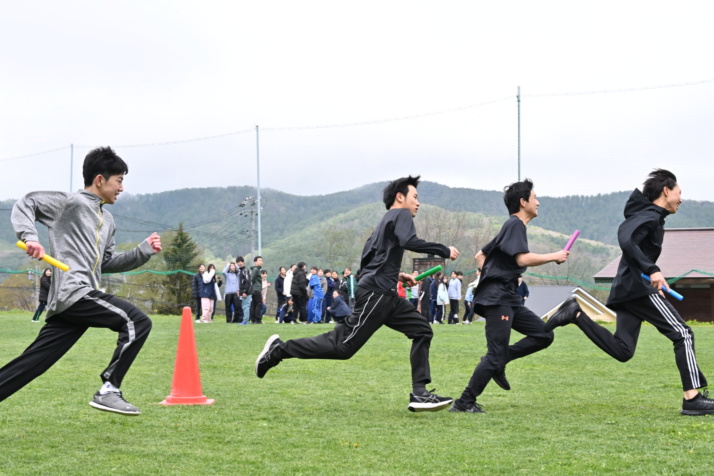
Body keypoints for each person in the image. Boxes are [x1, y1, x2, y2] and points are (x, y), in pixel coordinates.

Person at [255, 175, 459, 412]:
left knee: (422, 330)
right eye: (415, 197)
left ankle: (420, 394)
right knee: (343, 347)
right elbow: (409, 240)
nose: (418, 203)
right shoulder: (401, 214)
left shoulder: (381, 226)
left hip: (386, 294)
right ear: (400, 197)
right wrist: (442, 250)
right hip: (377, 294)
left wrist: (398, 276)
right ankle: (278, 350)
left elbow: (368, 264)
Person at [1, 146, 162, 415]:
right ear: (100, 179)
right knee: (137, 321)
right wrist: (30, 237)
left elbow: (107, 263)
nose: (121, 188)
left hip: (76, 300)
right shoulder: (70, 203)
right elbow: (26, 202)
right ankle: (109, 389)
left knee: (33, 363)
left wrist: (142, 251)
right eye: (119, 180)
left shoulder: (107, 220)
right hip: (74, 293)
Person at [545, 169, 714, 416]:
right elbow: (626, 240)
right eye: (679, 193)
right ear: (666, 191)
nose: (681, 198)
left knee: (623, 350)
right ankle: (693, 398)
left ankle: (576, 313)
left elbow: (633, 245)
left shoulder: (651, 216)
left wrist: (650, 269)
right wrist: (652, 269)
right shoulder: (649, 215)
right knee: (683, 333)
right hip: (637, 288)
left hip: (627, 288)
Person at [450, 178, 568, 414]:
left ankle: (502, 359)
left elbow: (479, 255)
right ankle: (464, 403)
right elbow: (521, 259)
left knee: (543, 334)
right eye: (535, 198)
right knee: (494, 354)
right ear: (523, 202)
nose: (539, 203)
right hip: (497, 300)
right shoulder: (514, 225)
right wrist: (553, 255)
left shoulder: (510, 227)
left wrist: (492, 274)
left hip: (508, 297)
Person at [237, 256, 252, 325]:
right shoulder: (240, 271)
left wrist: (245, 292)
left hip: (247, 292)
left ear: (243, 262)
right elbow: (241, 283)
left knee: (246, 306)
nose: (239, 263)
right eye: (238, 262)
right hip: (243, 292)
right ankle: (245, 320)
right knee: (244, 306)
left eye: (240, 262)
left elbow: (248, 281)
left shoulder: (245, 270)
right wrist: (239, 291)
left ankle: (246, 321)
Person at [249, 256, 264, 324]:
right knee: (259, 304)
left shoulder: (257, 269)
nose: (261, 262)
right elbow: (252, 279)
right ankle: (258, 320)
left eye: (261, 260)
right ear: (255, 262)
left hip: (255, 289)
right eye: (259, 260)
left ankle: (253, 320)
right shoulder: (256, 269)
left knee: (254, 304)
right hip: (256, 289)